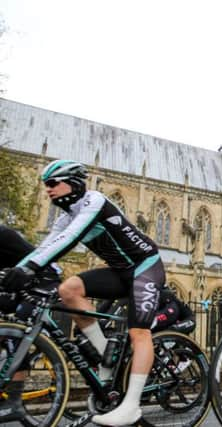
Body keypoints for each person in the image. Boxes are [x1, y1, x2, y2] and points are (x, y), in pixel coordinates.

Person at [0, 160, 165, 426]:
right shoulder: (66, 216)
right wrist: (18, 272)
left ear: (73, 183)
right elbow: (47, 248)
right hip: (120, 271)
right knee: (68, 289)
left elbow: (69, 238)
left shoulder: (94, 201)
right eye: (46, 185)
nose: (48, 190)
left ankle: (131, 407)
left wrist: (28, 268)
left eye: (53, 184)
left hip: (145, 267)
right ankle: (106, 359)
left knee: (138, 333)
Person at [0, 225, 61, 422]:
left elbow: (41, 261)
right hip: (16, 285)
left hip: (42, 282)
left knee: (16, 332)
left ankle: (15, 402)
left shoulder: (3, 235)